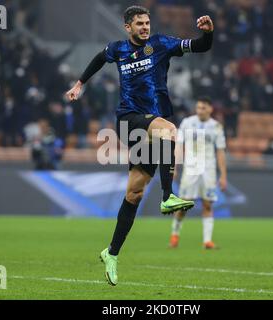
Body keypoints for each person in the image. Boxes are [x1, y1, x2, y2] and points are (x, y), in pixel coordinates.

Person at [66, 5, 214, 286]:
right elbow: (99, 58)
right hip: (129, 119)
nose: (145, 27)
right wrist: (79, 84)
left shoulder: (161, 44)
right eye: (139, 24)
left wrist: (209, 33)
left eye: (147, 23)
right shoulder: (118, 49)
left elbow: (200, 46)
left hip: (152, 123)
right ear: (128, 27)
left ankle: (111, 252)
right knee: (170, 130)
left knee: (134, 193)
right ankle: (169, 195)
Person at [169, 97, 227, 249]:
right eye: (198, 107)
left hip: (209, 170)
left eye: (203, 108)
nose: (200, 110)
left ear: (210, 109)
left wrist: (223, 176)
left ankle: (207, 241)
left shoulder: (216, 126)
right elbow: (179, 146)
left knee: (208, 205)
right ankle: (175, 235)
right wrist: (174, 167)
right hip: (191, 169)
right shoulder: (187, 123)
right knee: (183, 205)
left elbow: (220, 151)